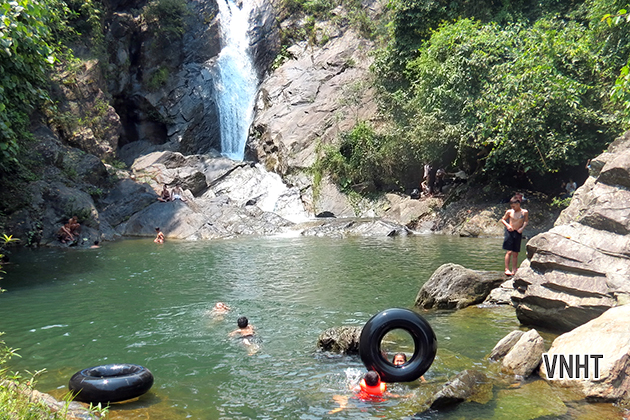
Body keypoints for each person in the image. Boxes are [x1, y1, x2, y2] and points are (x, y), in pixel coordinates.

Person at [329, 371, 400, 414]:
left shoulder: (360, 387)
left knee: (337, 396)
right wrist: (404, 396)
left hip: (359, 400)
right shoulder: (382, 390)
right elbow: (393, 396)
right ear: (378, 381)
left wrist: (350, 384)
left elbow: (351, 389)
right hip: (375, 403)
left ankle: (342, 406)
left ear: (365, 381)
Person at [500, 196, 529, 276]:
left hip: (518, 232)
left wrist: (522, 228)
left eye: (514, 206)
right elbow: (503, 219)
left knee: (515, 253)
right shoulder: (509, 212)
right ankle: (506, 269)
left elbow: (526, 221)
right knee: (509, 251)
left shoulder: (524, 212)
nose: (513, 208)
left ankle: (514, 269)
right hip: (510, 232)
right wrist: (508, 226)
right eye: (511, 206)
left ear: (518, 204)